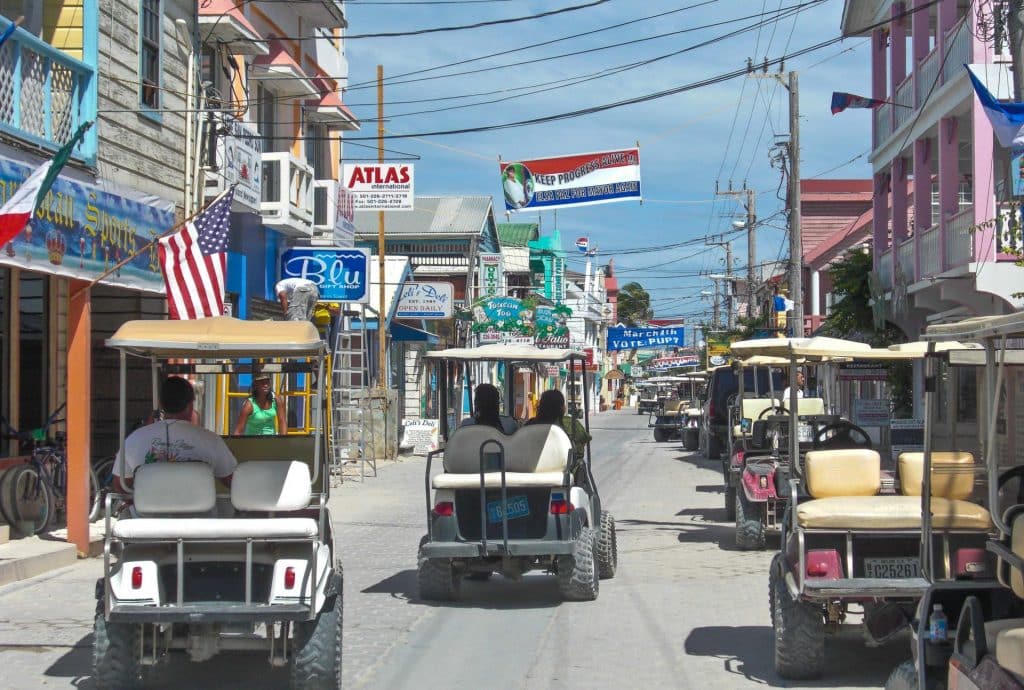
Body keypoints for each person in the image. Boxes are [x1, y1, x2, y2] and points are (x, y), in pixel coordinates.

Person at [113, 376, 237, 492]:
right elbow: (233, 482)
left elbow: (121, 486)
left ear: (160, 403)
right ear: (190, 405)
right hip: (200, 514)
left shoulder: (134, 439)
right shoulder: (211, 440)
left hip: (147, 514)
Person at [526, 390, 592, 468]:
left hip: (533, 468)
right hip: (564, 469)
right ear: (561, 408)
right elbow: (584, 440)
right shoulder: (571, 423)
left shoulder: (530, 424)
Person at [233, 371, 286, 436]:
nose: (266, 385)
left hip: (271, 441)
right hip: (253, 442)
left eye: (267, 382)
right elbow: (238, 431)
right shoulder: (249, 405)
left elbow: (282, 422)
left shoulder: (276, 399)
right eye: (262, 383)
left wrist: (284, 442)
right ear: (256, 385)